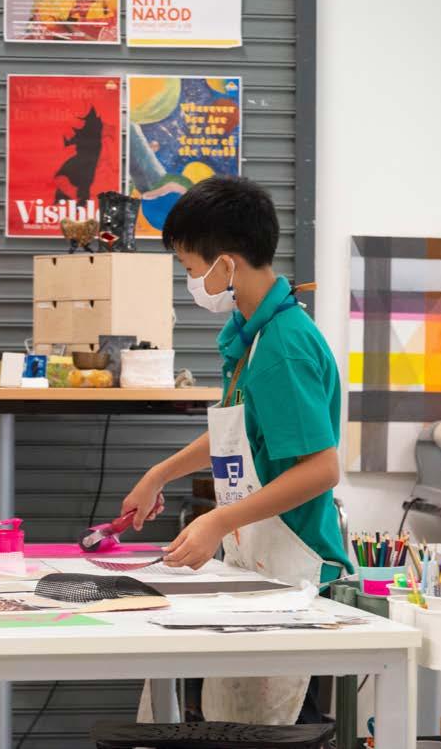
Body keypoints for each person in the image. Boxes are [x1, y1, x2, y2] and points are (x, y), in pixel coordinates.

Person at [121, 175, 353, 726]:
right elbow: (241, 432)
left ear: (226, 265)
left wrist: (219, 520)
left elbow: (321, 469)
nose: (190, 282)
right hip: (258, 561)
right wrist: (161, 473)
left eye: (190, 267)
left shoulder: (284, 348)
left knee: (252, 729)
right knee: (220, 717)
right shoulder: (253, 335)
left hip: (292, 570)